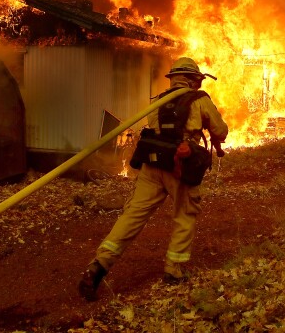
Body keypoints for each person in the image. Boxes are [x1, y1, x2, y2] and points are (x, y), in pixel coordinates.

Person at [79, 57, 229, 301]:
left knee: (132, 216)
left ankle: (99, 264)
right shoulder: (200, 100)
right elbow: (220, 130)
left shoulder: (159, 102)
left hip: (152, 165)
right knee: (184, 215)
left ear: (173, 79)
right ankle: (174, 270)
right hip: (180, 168)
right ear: (194, 80)